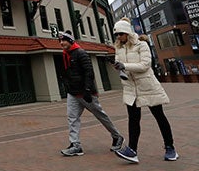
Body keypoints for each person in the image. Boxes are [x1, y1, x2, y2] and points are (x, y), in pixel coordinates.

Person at [112, 18, 179, 163]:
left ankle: (170, 147)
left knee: (159, 116)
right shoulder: (118, 48)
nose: (118, 37)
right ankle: (132, 150)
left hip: (148, 86)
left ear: (128, 33)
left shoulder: (142, 45)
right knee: (133, 120)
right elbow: (122, 65)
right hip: (131, 88)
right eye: (116, 35)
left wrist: (124, 66)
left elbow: (145, 65)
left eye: (120, 34)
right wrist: (119, 68)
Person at [59, 30, 125, 156]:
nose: (61, 43)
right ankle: (75, 145)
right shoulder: (65, 55)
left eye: (64, 40)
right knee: (72, 118)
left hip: (85, 92)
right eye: (60, 41)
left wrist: (88, 90)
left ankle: (117, 136)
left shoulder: (81, 53)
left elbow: (89, 72)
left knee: (101, 115)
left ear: (70, 41)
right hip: (73, 92)